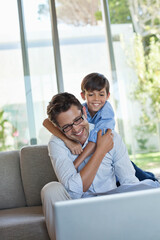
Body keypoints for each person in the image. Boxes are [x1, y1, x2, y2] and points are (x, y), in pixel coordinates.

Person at [41, 92, 159, 240]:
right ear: (58, 128)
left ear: (84, 111)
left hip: (111, 201)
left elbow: (129, 181)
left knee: (150, 187)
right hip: (79, 204)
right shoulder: (56, 144)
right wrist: (100, 151)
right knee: (50, 189)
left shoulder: (109, 135)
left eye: (78, 119)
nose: (76, 129)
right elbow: (74, 190)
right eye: (67, 127)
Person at [43, 72, 157, 181]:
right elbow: (47, 122)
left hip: (109, 150)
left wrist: (76, 164)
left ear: (108, 95)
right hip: (99, 160)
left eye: (101, 94)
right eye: (91, 94)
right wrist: (68, 141)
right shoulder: (80, 109)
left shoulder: (106, 113)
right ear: (83, 95)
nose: (96, 99)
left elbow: (96, 141)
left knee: (137, 176)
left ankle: (152, 179)